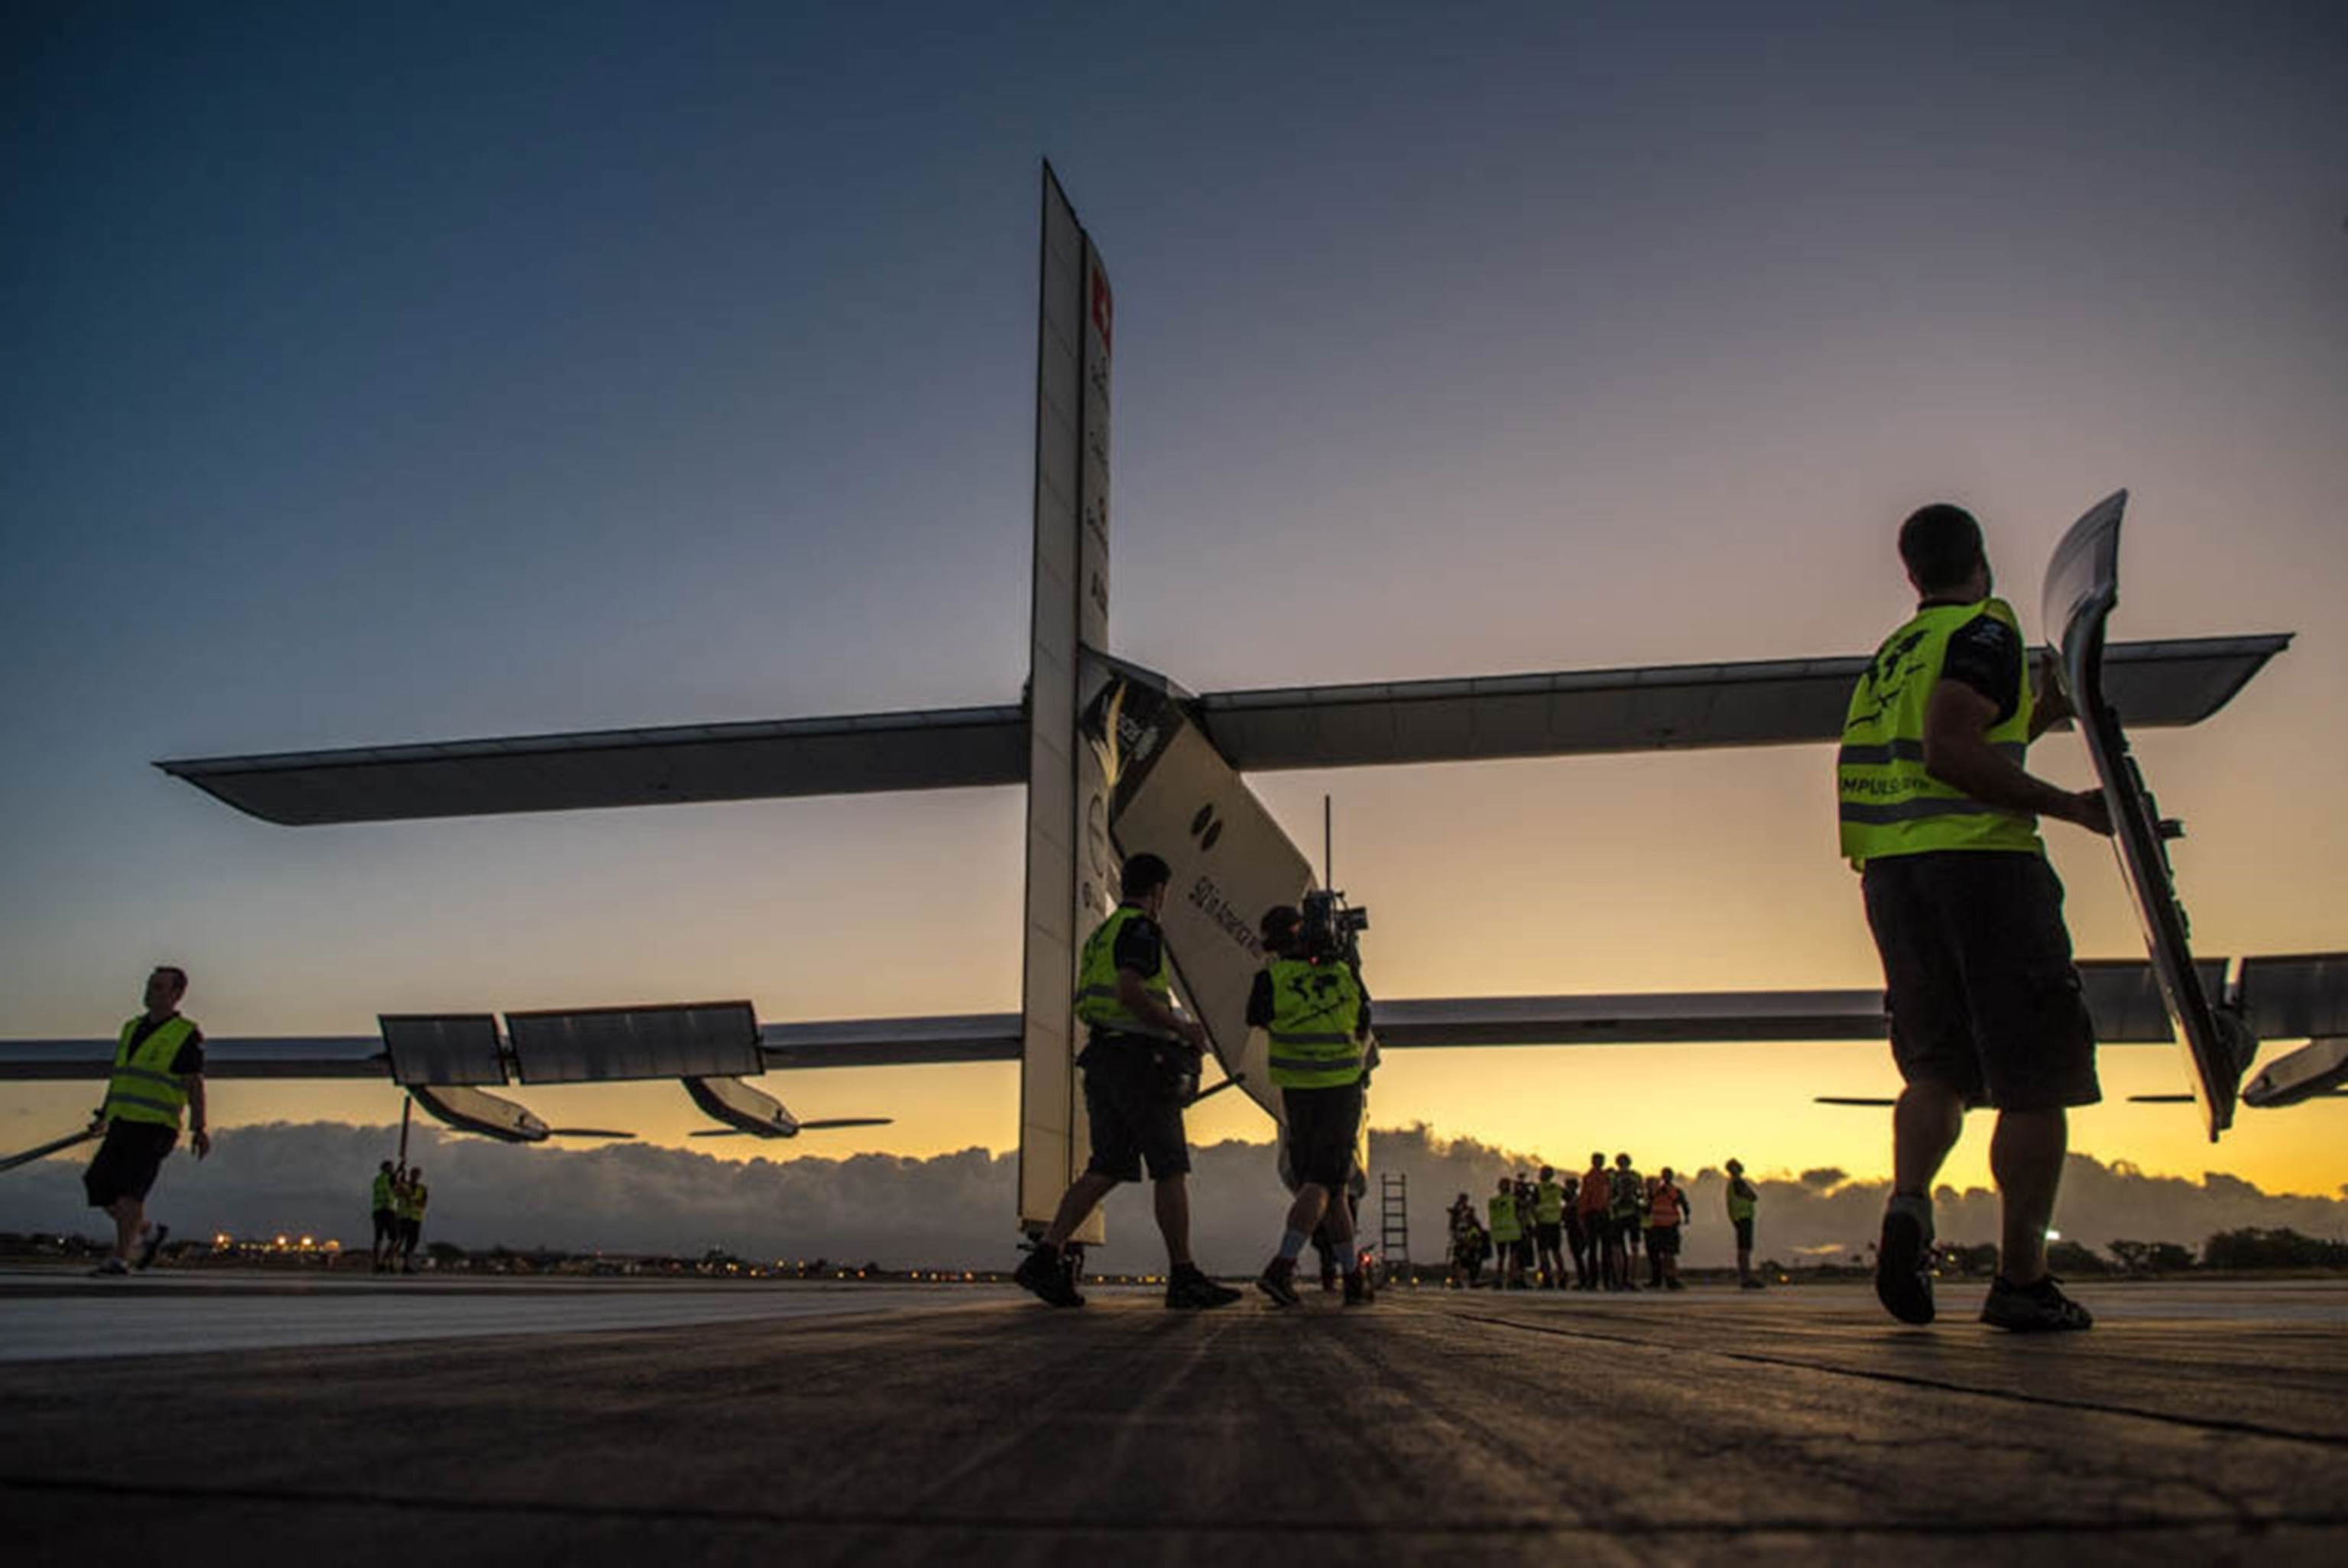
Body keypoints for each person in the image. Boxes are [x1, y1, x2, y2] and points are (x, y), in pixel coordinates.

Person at [1840, 502, 2110, 1333]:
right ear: (1981, 561)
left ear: (1911, 571)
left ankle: (1910, 1202)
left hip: (1895, 877)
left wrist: (2046, 711)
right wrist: (2072, 807)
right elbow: (1953, 749)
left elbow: (1956, 732)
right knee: (2034, 1079)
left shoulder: (1893, 657)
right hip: (1985, 870)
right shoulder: (1984, 630)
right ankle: (2022, 1281)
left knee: (1935, 1070)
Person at [1014, 853, 1242, 1310]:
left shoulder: (1103, 933)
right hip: (1139, 1063)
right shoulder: (1142, 929)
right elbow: (1130, 991)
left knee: (1108, 1166)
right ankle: (1183, 1276)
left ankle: (1046, 1255)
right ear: (1158, 891)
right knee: (1170, 1166)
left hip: (1102, 1059)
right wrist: (1183, 1029)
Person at [1251, 902, 1377, 1308]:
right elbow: (1363, 1020)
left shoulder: (1271, 977)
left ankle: (1353, 1278)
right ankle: (1282, 1266)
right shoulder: (1341, 973)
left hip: (1297, 1090)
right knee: (1323, 1182)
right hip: (1339, 1089)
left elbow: (1257, 1017)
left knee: (1335, 1188)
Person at [82, 966, 211, 1275]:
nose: (150, 992)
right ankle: (146, 1231)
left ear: (177, 994)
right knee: (97, 1183)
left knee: (130, 1192)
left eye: (158, 987)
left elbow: (194, 1083)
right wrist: (104, 1114)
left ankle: (122, 1257)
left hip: (155, 1125)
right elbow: (121, 1078)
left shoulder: (185, 1035)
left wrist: (199, 1127)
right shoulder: (131, 1029)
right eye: (149, 986)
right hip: (123, 1121)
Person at [1645, 1167, 1687, 1290]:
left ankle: (1666, 1279)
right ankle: (1668, 1279)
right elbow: (1684, 1205)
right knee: (1666, 1255)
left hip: (1663, 1226)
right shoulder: (1672, 1191)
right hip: (1664, 1226)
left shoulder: (1658, 1191)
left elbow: (1684, 1205)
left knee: (1665, 1255)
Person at [1607, 1153, 1644, 1291]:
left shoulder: (1613, 1177)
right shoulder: (1637, 1176)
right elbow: (1642, 1195)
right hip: (1633, 1215)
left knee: (1617, 1249)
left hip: (1617, 1216)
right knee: (1634, 1249)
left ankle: (1619, 1280)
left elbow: (1609, 1195)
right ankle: (1632, 1279)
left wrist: (1611, 1208)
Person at [1577, 1152, 1613, 1290]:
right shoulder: (1589, 1178)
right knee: (1594, 1249)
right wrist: (1582, 1216)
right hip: (1593, 1214)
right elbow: (1585, 1197)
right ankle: (1594, 1281)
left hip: (1603, 1214)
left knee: (1605, 1250)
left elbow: (1609, 1195)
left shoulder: (1606, 1177)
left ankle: (1605, 1280)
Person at [1725, 1158, 1763, 1288]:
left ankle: (1746, 1277)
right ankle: (1746, 1278)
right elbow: (1753, 1197)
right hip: (1743, 1217)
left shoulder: (1734, 1183)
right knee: (1745, 1249)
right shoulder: (1738, 1182)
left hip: (1739, 1218)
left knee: (1744, 1249)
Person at [1531, 1165, 1567, 1289]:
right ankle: (1562, 1277)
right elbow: (1571, 1199)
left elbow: (1532, 1205)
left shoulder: (1538, 1188)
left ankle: (1548, 1278)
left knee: (1543, 1252)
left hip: (1543, 1222)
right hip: (1555, 1222)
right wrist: (1562, 1213)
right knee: (1556, 1252)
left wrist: (1535, 1219)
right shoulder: (1558, 1188)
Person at [1487, 1176, 1525, 1288]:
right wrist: (1524, 1228)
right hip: (1513, 1231)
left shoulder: (1493, 1201)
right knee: (1513, 1256)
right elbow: (1520, 1214)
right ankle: (1511, 1278)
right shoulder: (1514, 1200)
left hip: (1499, 1232)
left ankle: (1498, 1279)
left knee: (1501, 1257)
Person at [1562, 1171, 1594, 1290]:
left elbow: (1580, 1214)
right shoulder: (1570, 1200)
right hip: (1572, 1229)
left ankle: (1585, 1279)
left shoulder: (1577, 1200)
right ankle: (1584, 1279)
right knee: (1577, 1256)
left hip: (1579, 1229)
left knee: (1580, 1255)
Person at [370, 1159, 401, 1273]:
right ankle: (387, 1262)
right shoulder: (390, 1179)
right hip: (388, 1210)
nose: (392, 1169)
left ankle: (376, 1264)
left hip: (378, 1210)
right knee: (395, 1238)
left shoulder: (378, 1180)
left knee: (378, 1238)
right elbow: (396, 1190)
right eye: (391, 1167)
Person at [397, 1165, 429, 1273]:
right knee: (399, 1240)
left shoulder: (422, 1189)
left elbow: (423, 1204)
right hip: (404, 1217)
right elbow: (397, 1193)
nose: (415, 1176)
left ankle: (407, 1265)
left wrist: (412, 1198)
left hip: (415, 1218)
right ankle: (393, 1262)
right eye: (413, 1174)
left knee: (412, 1243)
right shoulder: (404, 1186)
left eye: (417, 1174)